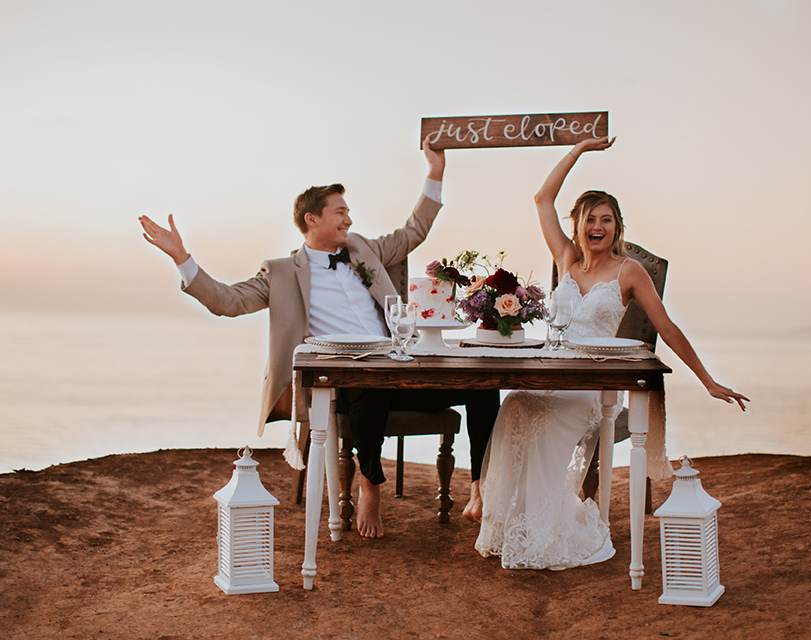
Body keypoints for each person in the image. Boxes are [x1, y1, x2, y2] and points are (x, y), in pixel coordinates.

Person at [139, 141, 498, 539]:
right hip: (344, 382)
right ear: (312, 219)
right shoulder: (280, 273)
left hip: (400, 367)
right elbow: (228, 301)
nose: (348, 219)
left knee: (483, 386)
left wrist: (434, 172)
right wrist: (181, 258)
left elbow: (414, 231)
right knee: (369, 384)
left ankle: (480, 487)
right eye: (340, 212)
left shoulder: (363, 248)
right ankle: (371, 484)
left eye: (348, 212)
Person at [475, 136, 749, 570]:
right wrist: (579, 151)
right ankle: (513, 523)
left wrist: (708, 381)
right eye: (589, 219)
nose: (597, 227)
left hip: (590, 388)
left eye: (606, 220)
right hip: (553, 375)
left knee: (541, 426)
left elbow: (667, 327)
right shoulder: (565, 257)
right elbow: (542, 198)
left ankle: (543, 532)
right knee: (514, 406)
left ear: (617, 227)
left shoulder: (629, 271)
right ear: (579, 225)